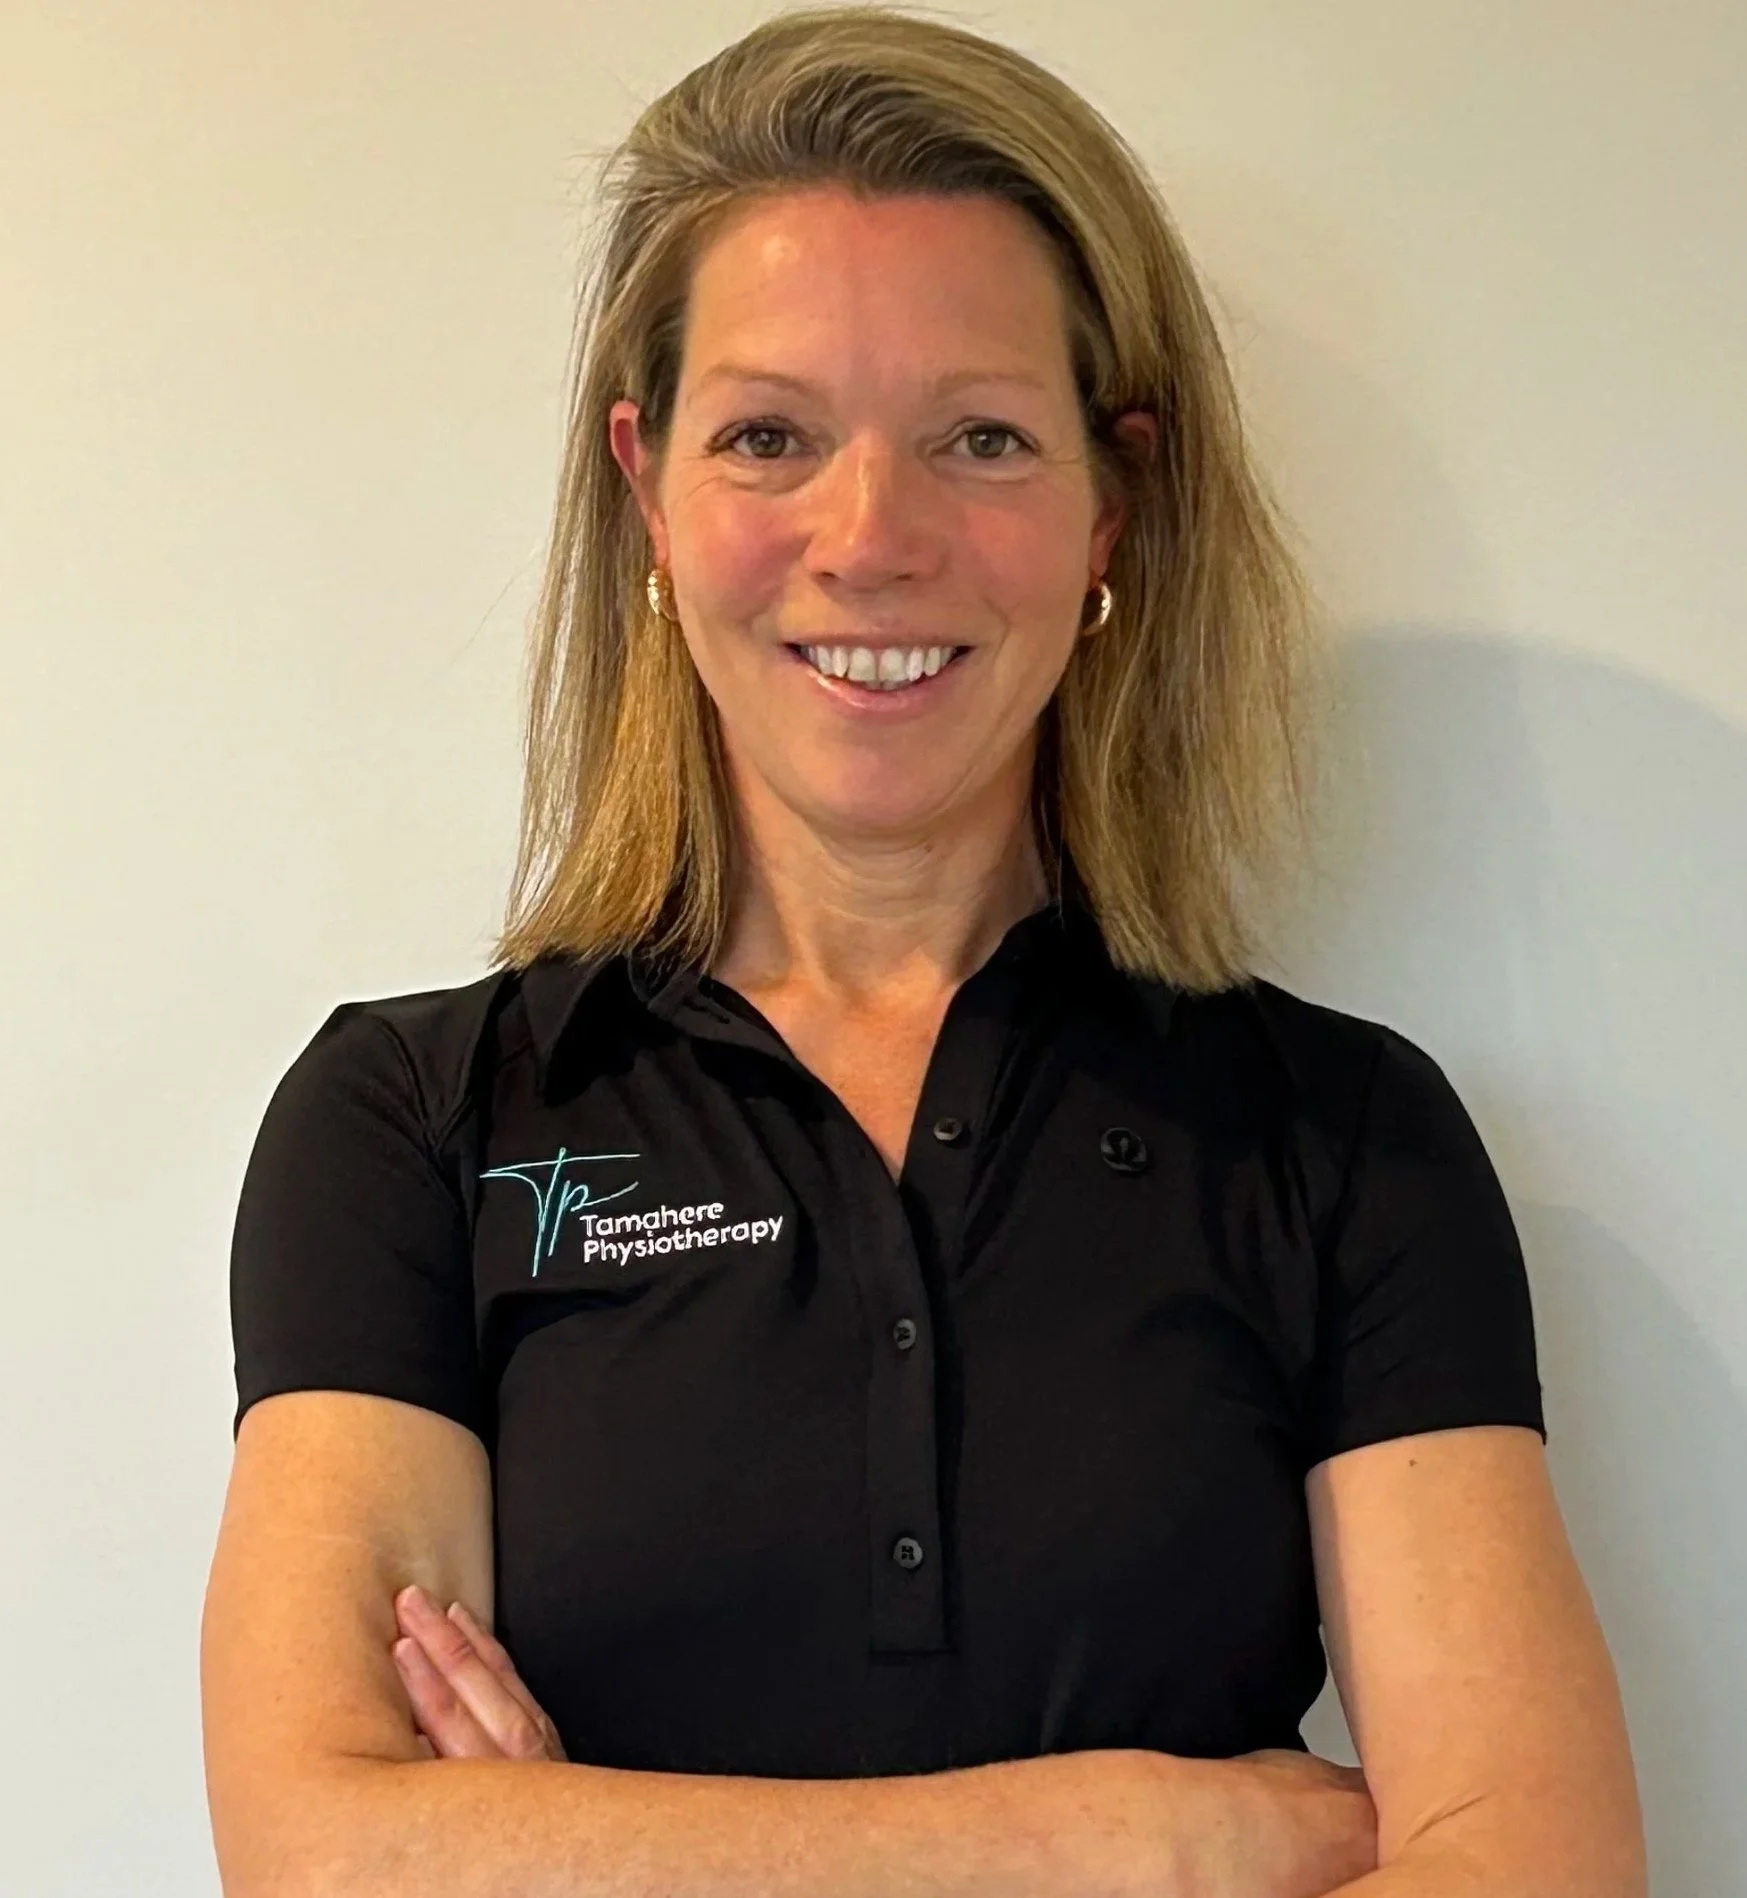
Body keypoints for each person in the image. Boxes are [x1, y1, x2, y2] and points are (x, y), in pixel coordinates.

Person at [200, 7, 1647, 1896]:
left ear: (1108, 497)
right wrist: (1130, 1835)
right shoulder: (412, 1122)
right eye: (767, 436)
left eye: (978, 435)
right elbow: (319, 1854)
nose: (869, 537)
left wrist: (561, 1845)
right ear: (647, 487)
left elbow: (1532, 1867)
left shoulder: (1340, 1136)